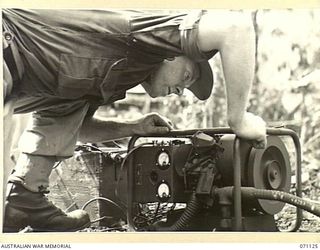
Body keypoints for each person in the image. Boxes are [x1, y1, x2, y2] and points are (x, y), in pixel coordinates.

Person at [2, 9, 266, 232]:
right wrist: (239, 119)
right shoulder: (146, 29)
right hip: (7, 45)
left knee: (67, 107)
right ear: (172, 50)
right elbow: (236, 26)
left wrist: (134, 128)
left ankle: (25, 198)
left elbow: (78, 128)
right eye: (186, 77)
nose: (179, 91)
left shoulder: (118, 76)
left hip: (21, 78)